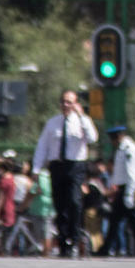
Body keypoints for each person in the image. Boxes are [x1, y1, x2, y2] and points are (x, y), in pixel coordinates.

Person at [32, 90, 99, 257]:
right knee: (60, 205)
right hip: (57, 166)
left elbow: (92, 138)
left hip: (76, 166)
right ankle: (64, 241)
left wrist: (82, 117)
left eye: (70, 102)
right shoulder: (52, 123)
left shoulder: (83, 121)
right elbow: (42, 147)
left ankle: (75, 238)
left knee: (74, 201)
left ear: (76, 104)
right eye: (63, 101)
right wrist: (36, 169)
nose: (66, 105)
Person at [95, 126, 135, 257]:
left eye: (112, 139)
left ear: (118, 137)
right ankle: (105, 249)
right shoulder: (121, 149)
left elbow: (133, 174)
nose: (111, 142)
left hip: (129, 189)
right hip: (122, 189)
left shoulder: (129, 149)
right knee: (115, 221)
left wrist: (129, 194)